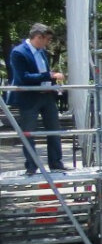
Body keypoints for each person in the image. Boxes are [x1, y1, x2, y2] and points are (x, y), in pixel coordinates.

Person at [6, 23, 67, 174]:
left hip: (47, 96)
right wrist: (49, 75)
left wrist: (53, 81)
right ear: (38, 37)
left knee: (54, 129)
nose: (48, 43)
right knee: (29, 132)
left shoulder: (42, 52)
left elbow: (43, 72)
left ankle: (56, 163)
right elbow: (23, 77)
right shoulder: (18, 52)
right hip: (29, 98)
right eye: (47, 40)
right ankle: (31, 166)